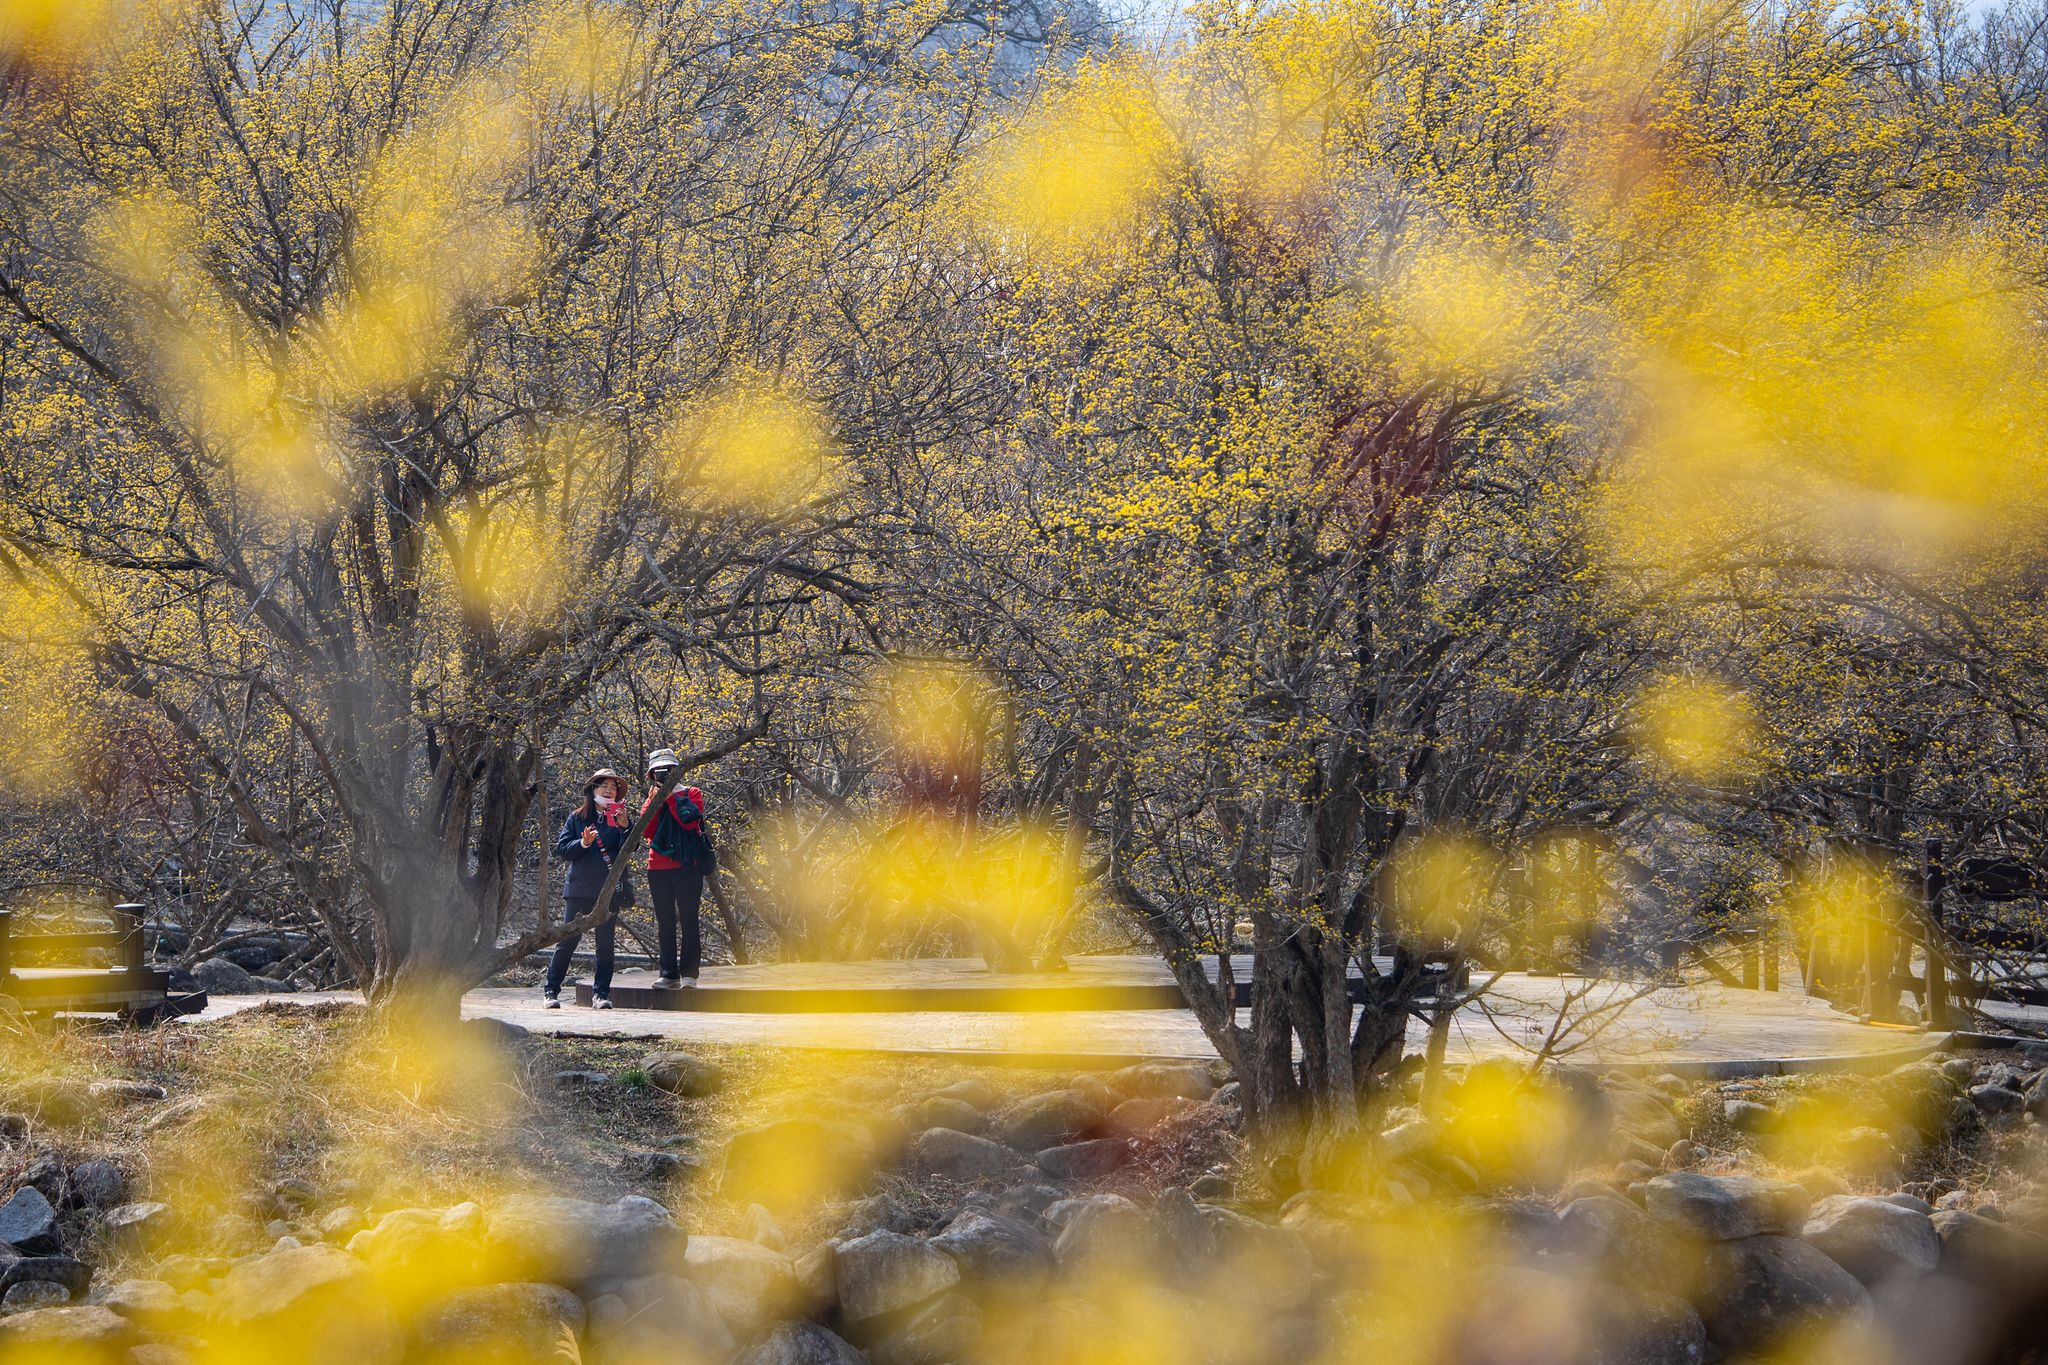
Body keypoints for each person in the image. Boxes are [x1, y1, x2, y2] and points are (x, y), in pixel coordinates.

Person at [544, 767, 637, 1009]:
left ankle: (601, 994)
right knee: (568, 940)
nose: (609, 790)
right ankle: (551, 991)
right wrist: (583, 843)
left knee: (605, 945)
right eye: (603, 785)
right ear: (592, 789)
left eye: (613, 787)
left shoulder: (620, 818)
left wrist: (626, 827)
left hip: (609, 890)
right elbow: (563, 849)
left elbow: (631, 848)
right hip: (580, 889)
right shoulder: (577, 818)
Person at [639, 747, 715, 989]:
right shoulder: (651, 797)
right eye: (659, 772)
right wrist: (656, 798)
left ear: (678, 770)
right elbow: (646, 830)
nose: (664, 775)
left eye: (669, 770)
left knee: (689, 919)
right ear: (651, 775)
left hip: (687, 866)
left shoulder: (692, 793)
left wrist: (672, 794)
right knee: (665, 922)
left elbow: (690, 821)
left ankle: (690, 974)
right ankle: (668, 974)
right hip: (657, 868)